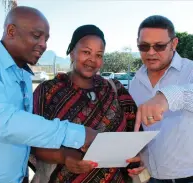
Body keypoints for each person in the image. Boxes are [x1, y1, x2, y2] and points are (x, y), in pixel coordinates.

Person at [0, 6, 97, 183]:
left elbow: (26, 131)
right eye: (37, 36)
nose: (44, 45)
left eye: (46, 39)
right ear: (11, 31)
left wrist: (65, 154)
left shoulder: (22, 72)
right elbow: (5, 121)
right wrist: (78, 134)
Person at [30, 24, 141, 183]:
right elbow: (33, 142)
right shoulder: (47, 92)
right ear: (72, 53)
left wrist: (139, 157)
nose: (92, 60)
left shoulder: (114, 89)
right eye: (86, 52)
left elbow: (136, 135)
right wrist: (64, 156)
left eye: (99, 55)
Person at [129, 15, 193, 183]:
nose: (151, 52)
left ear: (174, 44)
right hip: (151, 177)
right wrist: (142, 157)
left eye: (159, 46)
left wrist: (166, 97)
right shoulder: (136, 82)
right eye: (144, 46)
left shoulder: (190, 70)